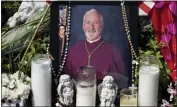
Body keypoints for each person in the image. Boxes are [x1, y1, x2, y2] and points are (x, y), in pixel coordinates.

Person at [64, 9, 128, 88]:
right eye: (88, 22)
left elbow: (121, 82)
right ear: (83, 26)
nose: (91, 27)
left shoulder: (113, 52)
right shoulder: (73, 50)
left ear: (101, 26)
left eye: (96, 23)